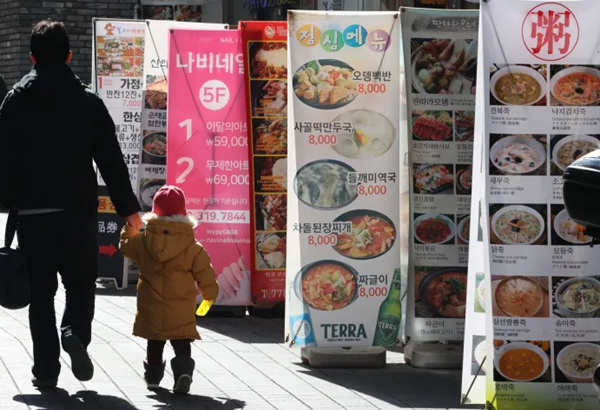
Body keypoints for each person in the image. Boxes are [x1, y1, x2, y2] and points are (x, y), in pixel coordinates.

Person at [0, 20, 143, 388]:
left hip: (33, 216)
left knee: (41, 295)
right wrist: (129, 212)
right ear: (69, 55)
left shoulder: (15, 100)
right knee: (80, 283)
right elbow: (111, 160)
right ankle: (74, 332)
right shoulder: (88, 101)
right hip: (78, 213)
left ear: (31, 56)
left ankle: (46, 372)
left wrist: (10, 201)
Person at [119, 185, 219, 394]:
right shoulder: (192, 246)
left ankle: (153, 377)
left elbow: (126, 246)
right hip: (181, 305)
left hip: (151, 303)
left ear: (155, 210)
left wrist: (130, 227)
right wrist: (210, 295)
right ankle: (183, 373)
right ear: (183, 212)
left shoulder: (144, 240)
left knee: (154, 341)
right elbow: (205, 273)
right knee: (181, 341)